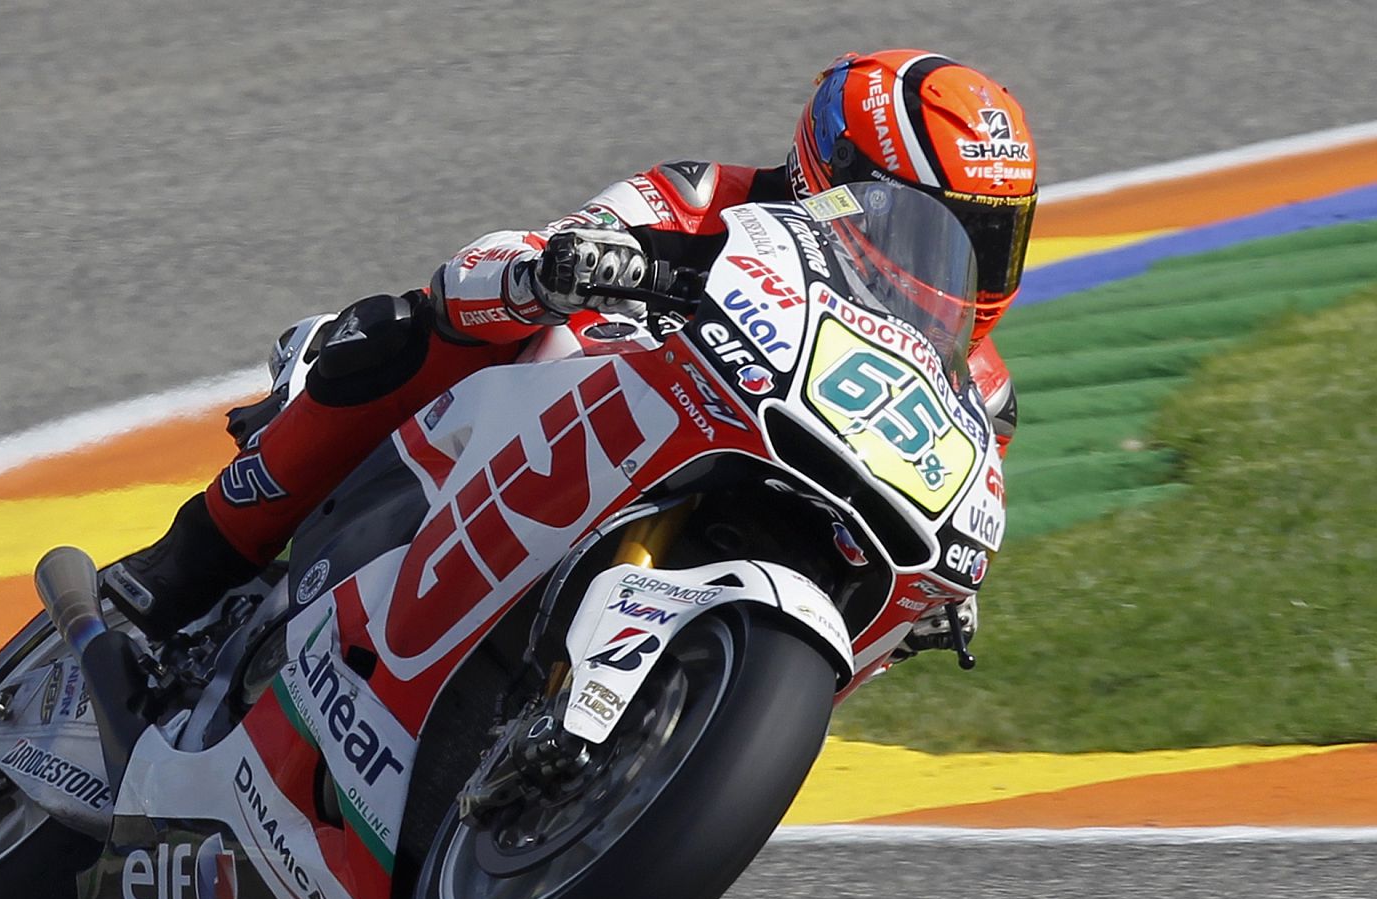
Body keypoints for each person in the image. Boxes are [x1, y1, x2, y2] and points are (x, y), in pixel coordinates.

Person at [102, 49, 1038, 656]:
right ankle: (196, 559)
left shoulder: (980, 387)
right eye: (928, 228)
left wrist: (938, 598)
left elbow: (956, 515)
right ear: (836, 182)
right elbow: (522, 257)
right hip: (558, 414)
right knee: (429, 322)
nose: (957, 267)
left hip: (738, 498)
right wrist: (554, 269)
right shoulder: (707, 198)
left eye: (988, 240)